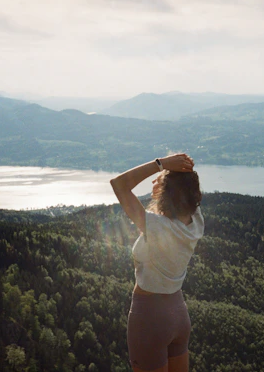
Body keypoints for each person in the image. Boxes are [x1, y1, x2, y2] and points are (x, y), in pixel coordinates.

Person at [110, 153, 204, 372]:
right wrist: (171, 180)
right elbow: (188, 195)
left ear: (165, 192)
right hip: (179, 315)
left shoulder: (156, 226)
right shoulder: (196, 222)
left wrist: (160, 164)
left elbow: (119, 184)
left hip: (149, 319)